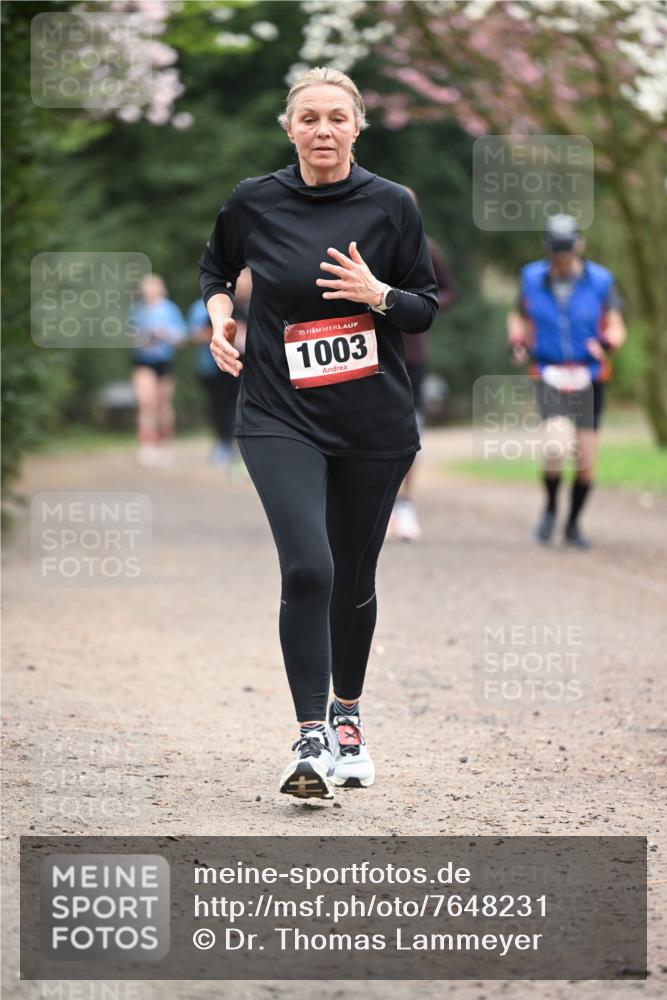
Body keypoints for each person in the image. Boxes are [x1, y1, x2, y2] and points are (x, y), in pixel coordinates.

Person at [199, 66, 438, 799]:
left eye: (337, 117)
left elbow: (424, 306)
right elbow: (215, 266)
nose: (323, 130)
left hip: (372, 421)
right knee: (309, 566)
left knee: (353, 579)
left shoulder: (391, 205)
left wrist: (377, 295)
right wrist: (218, 318)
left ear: (357, 126)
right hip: (278, 414)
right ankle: (307, 738)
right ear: (289, 127)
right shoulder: (255, 201)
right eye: (309, 118)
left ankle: (348, 719)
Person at [506, 215, 626, 548]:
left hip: (589, 375)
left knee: (585, 461)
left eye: (567, 250)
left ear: (579, 246)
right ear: (547, 249)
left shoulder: (601, 281)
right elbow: (517, 315)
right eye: (556, 251)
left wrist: (606, 344)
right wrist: (517, 342)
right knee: (556, 446)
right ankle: (549, 510)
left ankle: (573, 524)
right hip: (549, 371)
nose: (562, 258)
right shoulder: (531, 277)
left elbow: (617, 325)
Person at [387, 186, 456, 541]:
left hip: (411, 353)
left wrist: (418, 305)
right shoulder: (366, 244)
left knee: (410, 430)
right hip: (370, 351)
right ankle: (376, 507)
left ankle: (406, 505)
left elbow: (447, 291)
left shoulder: (428, 250)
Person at [187, 268, 251, 468]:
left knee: (244, 407)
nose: (247, 286)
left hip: (251, 369)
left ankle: (243, 448)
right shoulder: (222, 305)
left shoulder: (258, 306)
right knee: (222, 407)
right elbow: (205, 332)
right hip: (223, 368)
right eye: (244, 281)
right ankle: (224, 443)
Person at [128, 274, 187, 466]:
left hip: (164, 361)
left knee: (163, 403)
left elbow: (181, 338)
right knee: (146, 401)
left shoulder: (170, 310)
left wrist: (164, 334)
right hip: (143, 361)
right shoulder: (136, 310)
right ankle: (147, 443)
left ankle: (165, 442)